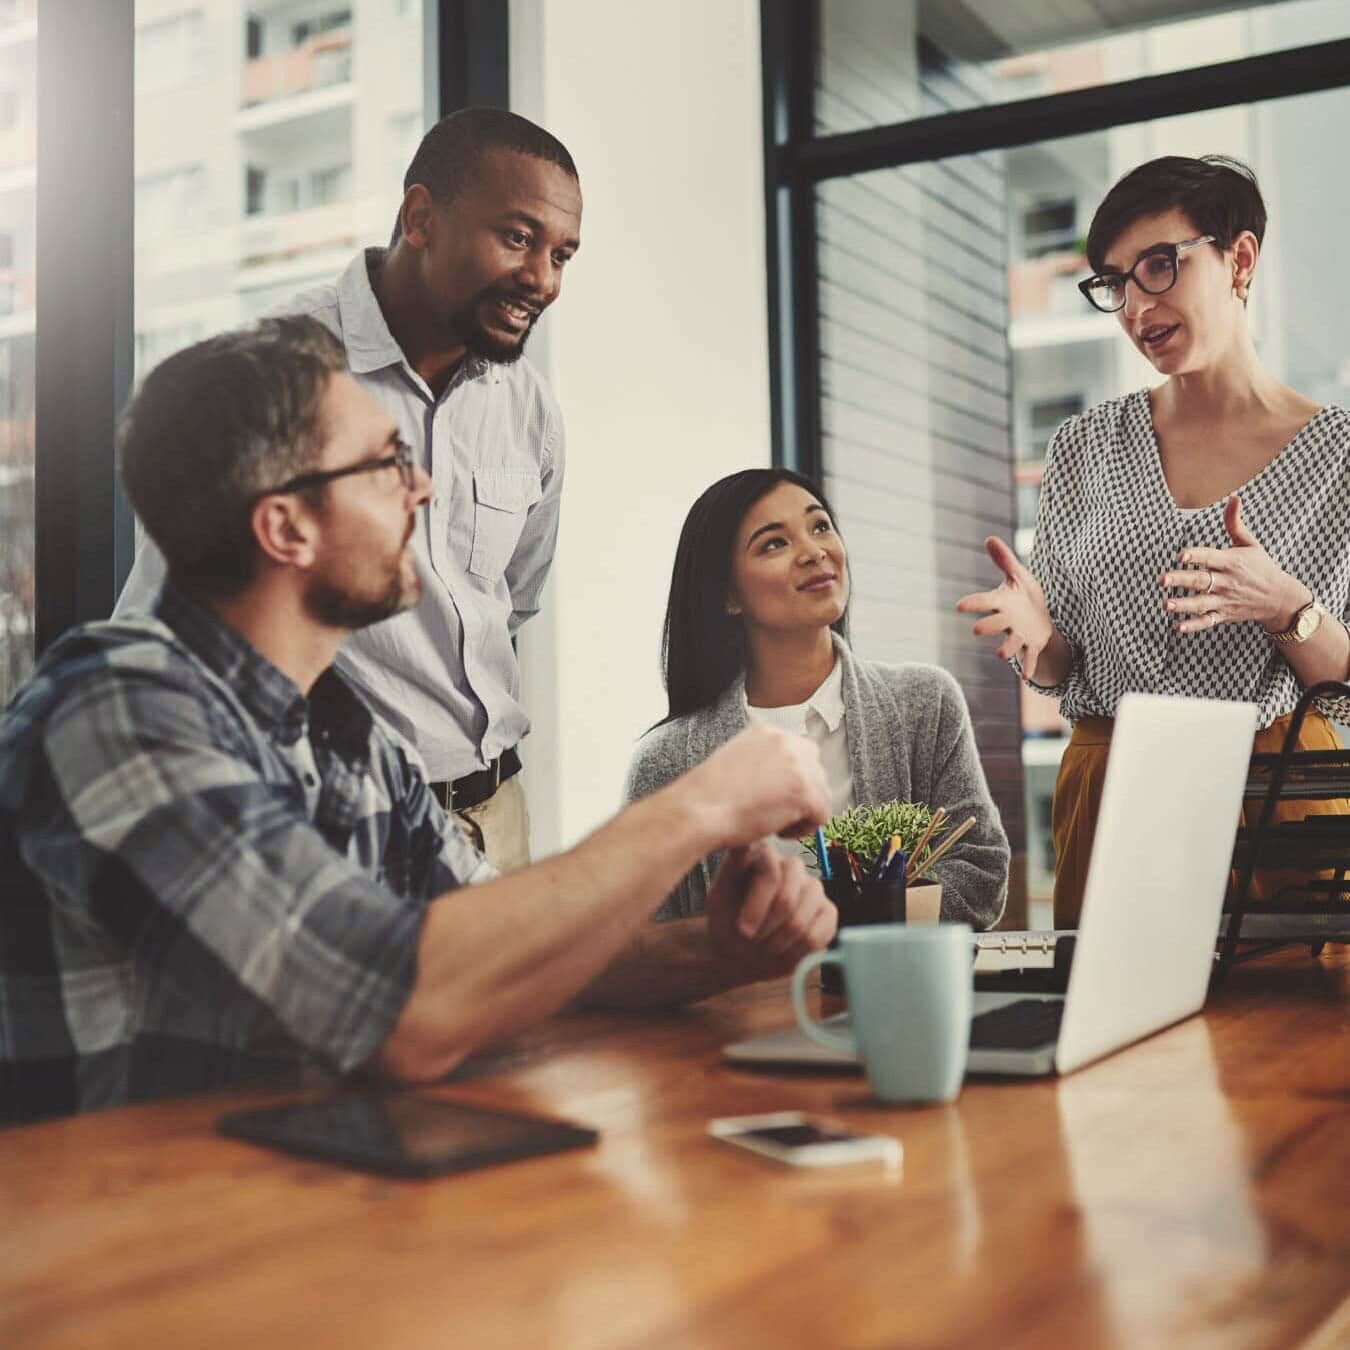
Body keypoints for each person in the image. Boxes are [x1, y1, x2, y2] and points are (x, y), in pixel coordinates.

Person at [0, 320, 838, 1126]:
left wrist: (721, 954)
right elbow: (403, 1005)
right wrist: (699, 807)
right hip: (108, 1243)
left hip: (284, 1206)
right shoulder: (119, 707)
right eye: (389, 462)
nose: (424, 487)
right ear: (285, 525)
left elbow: (509, 947)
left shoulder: (345, 730)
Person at [116, 108, 580, 874]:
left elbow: (512, 600)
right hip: (330, 822)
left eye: (563, 253)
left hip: (498, 813)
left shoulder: (527, 406)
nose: (544, 280)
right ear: (421, 217)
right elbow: (174, 620)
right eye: (518, 237)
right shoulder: (282, 372)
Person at [957, 155, 1350, 928]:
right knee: (1116, 1041)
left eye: (1160, 267)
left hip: (1279, 801)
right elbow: (1066, 662)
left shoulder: (1340, 456)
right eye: (1116, 283)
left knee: (1295, 1045)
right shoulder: (1084, 447)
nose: (1137, 306)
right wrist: (1039, 640)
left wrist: (1287, 608)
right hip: (1116, 791)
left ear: (1239, 258)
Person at [624, 468, 1009, 928]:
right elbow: (645, 934)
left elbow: (980, 873)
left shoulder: (924, 703)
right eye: (774, 543)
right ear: (729, 595)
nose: (813, 552)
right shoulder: (665, 761)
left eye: (820, 526)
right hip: (740, 1000)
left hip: (893, 992)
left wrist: (847, 925)